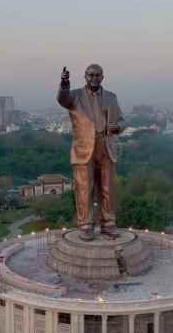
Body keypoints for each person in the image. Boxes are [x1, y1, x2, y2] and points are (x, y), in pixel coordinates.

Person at [57, 64, 124, 241]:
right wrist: (64, 84)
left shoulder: (111, 97)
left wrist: (118, 127)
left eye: (97, 75)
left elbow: (121, 120)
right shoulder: (75, 96)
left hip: (106, 145)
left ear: (103, 77)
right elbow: (62, 99)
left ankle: (108, 223)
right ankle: (85, 224)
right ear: (85, 76)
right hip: (83, 147)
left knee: (107, 187)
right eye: (91, 75)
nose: (94, 78)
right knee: (84, 188)